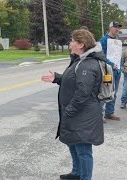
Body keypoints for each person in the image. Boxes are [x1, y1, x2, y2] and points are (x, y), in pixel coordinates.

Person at [41, 29, 104, 180]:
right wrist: (57, 77)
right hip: (77, 114)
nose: (70, 44)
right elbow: (72, 81)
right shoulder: (80, 61)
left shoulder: (87, 64)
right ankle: (77, 173)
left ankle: (85, 177)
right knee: (73, 144)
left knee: (83, 150)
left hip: (82, 115)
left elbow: (83, 92)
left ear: (81, 44)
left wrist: (69, 110)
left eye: (72, 41)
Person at [99, 21, 123, 122]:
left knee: (114, 92)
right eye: (115, 27)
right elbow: (101, 56)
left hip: (116, 72)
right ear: (110, 28)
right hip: (108, 71)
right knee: (105, 92)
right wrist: (111, 65)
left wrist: (119, 66)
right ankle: (99, 114)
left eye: (118, 27)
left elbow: (118, 55)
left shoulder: (118, 40)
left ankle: (109, 113)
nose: (117, 29)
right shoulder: (103, 40)